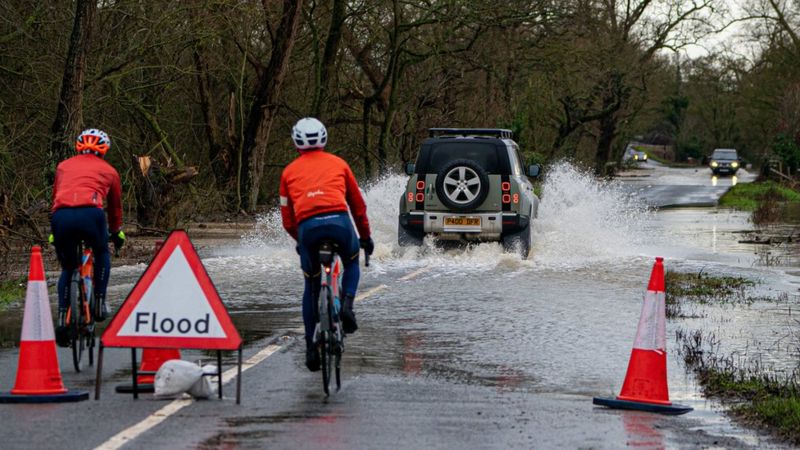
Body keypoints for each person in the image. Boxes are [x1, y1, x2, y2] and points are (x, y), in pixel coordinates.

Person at [279, 117, 374, 372]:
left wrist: (300, 240)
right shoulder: (340, 164)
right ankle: (347, 306)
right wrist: (365, 238)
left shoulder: (287, 172)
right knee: (351, 262)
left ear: (296, 142)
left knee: (311, 284)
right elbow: (358, 207)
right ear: (324, 138)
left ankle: (311, 348)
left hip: (308, 229)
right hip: (340, 225)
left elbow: (287, 219)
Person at [51, 128, 125, 347]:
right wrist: (115, 231)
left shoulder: (63, 166)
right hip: (91, 215)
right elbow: (115, 208)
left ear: (79, 147)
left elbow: (56, 196)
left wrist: (53, 233)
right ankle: (100, 302)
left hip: (61, 217)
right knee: (102, 252)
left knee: (68, 268)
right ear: (104, 151)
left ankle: (63, 318)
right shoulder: (109, 171)